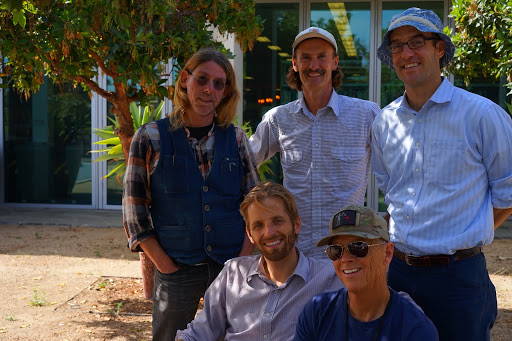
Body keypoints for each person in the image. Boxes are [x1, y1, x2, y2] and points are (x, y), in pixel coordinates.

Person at [372, 7, 512, 341]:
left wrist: (463, 236)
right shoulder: (384, 123)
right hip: (398, 274)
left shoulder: (481, 115)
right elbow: (392, 194)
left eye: (416, 41)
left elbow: (508, 193)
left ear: (439, 49)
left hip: (460, 280)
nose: (406, 53)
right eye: (397, 45)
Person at [122, 48, 260, 340]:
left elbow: (255, 206)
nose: (209, 89)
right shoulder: (150, 137)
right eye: (202, 79)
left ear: (225, 93)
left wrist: (241, 262)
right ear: (185, 79)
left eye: (218, 84)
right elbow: (135, 213)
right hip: (176, 269)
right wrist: (165, 265)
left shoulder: (235, 138)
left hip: (228, 269)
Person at [249, 27, 380, 258]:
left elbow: (398, 174)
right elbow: (244, 163)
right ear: (295, 64)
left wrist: (387, 227)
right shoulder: (278, 119)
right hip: (295, 255)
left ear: (335, 62)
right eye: (306, 58)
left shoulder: (366, 115)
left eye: (322, 57)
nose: (314, 65)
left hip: (348, 253)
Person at [175, 182, 344, 341]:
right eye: (258, 226)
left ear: (296, 224)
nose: (269, 232)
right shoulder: (233, 274)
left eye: (277, 221)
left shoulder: (331, 278)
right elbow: (197, 334)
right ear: (249, 234)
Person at [295, 205, 439, 340]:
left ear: (387, 253)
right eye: (336, 250)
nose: (345, 259)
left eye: (358, 247)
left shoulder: (414, 328)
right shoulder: (316, 314)